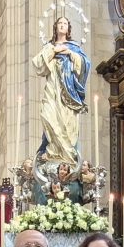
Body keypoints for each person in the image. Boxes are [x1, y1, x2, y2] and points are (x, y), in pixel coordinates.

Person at [31, 16, 90, 166]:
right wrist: (54, 50)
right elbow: (38, 65)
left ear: (68, 28)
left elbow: (85, 64)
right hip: (52, 89)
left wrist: (70, 54)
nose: (62, 25)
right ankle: (53, 151)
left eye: (65, 23)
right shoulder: (49, 47)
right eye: (60, 23)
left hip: (68, 92)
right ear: (55, 27)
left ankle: (67, 158)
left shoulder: (74, 47)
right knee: (47, 114)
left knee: (66, 122)